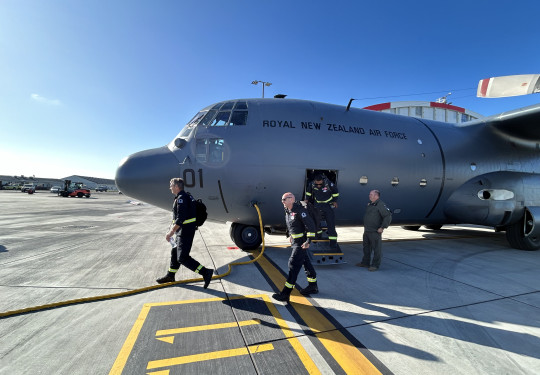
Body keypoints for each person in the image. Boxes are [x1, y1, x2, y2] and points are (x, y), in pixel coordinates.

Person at [156, 178, 214, 288]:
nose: (170, 188)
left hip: (185, 232)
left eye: (171, 185)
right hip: (182, 231)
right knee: (174, 252)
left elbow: (180, 218)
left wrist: (170, 232)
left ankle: (205, 272)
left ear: (177, 186)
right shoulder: (185, 196)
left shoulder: (182, 198)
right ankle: (170, 275)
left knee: (182, 258)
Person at [273, 192, 318, 302]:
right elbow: (292, 225)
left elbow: (311, 226)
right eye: (282, 199)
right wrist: (291, 235)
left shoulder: (300, 211)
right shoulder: (288, 210)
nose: (282, 201)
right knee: (306, 262)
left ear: (291, 199)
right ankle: (313, 286)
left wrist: (308, 241)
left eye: (284, 199)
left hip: (301, 243)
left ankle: (285, 293)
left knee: (293, 264)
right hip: (296, 241)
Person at [358, 190, 392, 271]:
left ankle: (375, 265)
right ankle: (365, 262)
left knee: (377, 249)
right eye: (369, 194)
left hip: (375, 231)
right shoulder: (370, 204)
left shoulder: (380, 204)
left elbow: (388, 216)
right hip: (367, 230)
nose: (369, 195)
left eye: (371, 194)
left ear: (376, 196)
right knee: (366, 248)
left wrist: (382, 227)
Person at [305, 174, 339, 248]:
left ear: (322, 181)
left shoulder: (328, 184)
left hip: (328, 205)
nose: (319, 185)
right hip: (318, 205)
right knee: (316, 221)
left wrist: (334, 201)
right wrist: (306, 199)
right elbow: (308, 192)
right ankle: (318, 236)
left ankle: (333, 243)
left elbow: (335, 192)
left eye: (320, 184)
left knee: (331, 223)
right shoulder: (312, 184)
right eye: (317, 184)